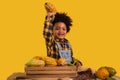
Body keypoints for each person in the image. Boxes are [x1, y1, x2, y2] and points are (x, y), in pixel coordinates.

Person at [43, 2, 82, 69]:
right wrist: (50, 17)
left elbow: (70, 59)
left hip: (67, 71)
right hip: (54, 71)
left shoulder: (68, 43)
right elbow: (47, 33)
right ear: (52, 30)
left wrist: (77, 62)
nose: (61, 31)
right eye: (57, 28)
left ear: (67, 31)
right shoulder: (51, 42)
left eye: (64, 29)